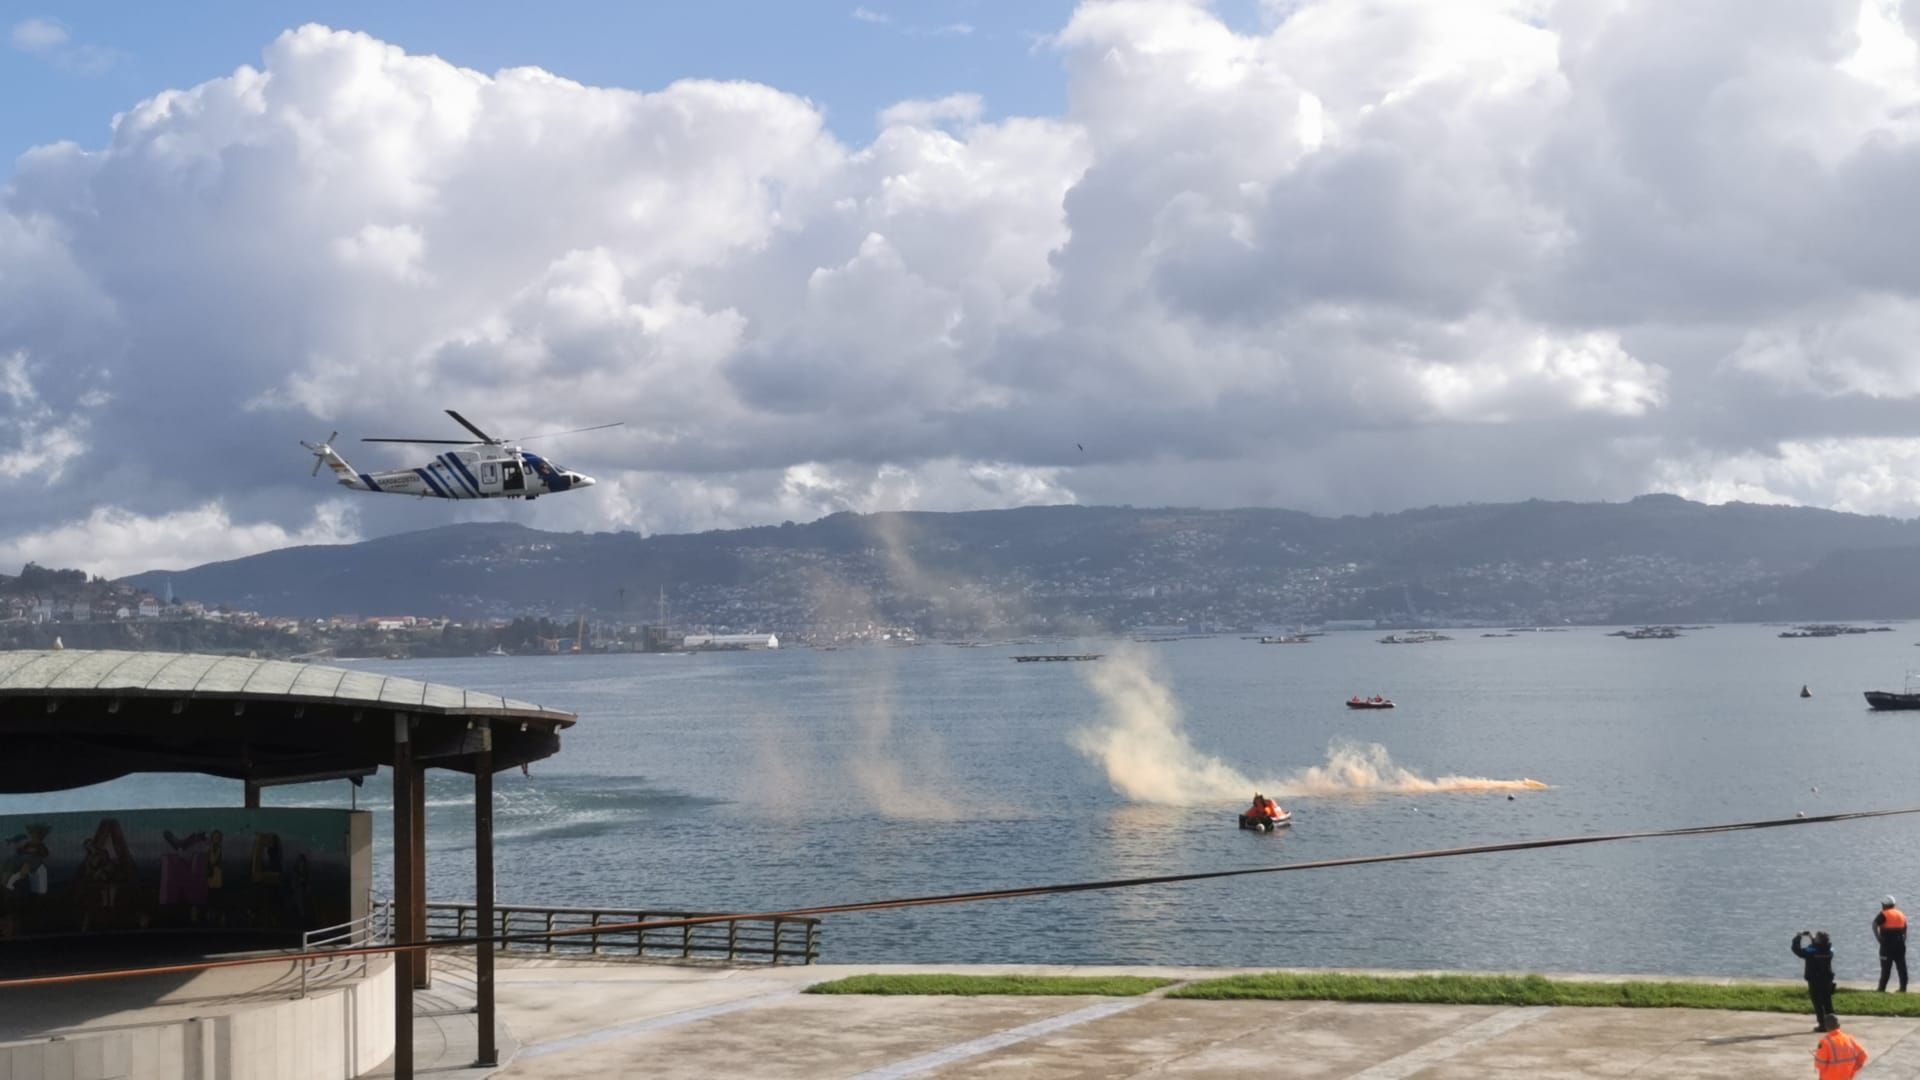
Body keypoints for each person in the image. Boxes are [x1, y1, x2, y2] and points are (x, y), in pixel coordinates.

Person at [1793, 930, 1838, 1030]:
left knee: (1817, 1003)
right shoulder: (1830, 950)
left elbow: (1798, 951)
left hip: (1814, 980)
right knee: (1827, 1002)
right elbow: (1819, 948)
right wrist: (1812, 938)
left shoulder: (1812, 950)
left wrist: (1798, 937)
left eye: (1816, 937)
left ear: (1818, 941)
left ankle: (1822, 1025)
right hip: (1827, 979)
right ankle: (1833, 1025)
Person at [1874, 895, 1908, 992]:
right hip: (1900, 943)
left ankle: (1881, 988)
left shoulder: (1884, 914)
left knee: (1886, 968)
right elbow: (1905, 927)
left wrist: (1878, 938)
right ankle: (1903, 989)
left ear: (1884, 905)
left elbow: (1874, 924)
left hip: (1887, 943)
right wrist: (1904, 939)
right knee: (1902, 967)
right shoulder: (1901, 914)